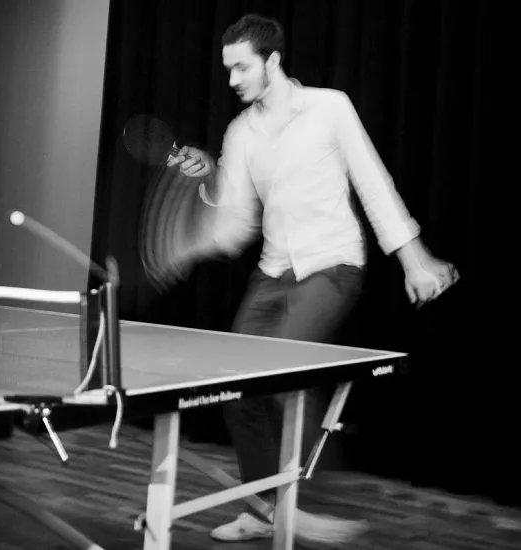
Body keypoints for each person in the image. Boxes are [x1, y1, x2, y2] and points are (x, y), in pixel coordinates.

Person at [167, 13, 459, 543]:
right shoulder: (241, 132)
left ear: (273, 61)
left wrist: (414, 259)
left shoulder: (330, 107)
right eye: (228, 69)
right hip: (272, 273)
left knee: (285, 374)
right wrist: (208, 180)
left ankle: (305, 503)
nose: (232, 79)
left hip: (333, 266)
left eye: (241, 67)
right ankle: (263, 511)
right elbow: (235, 224)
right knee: (234, 388)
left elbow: (373, 182)